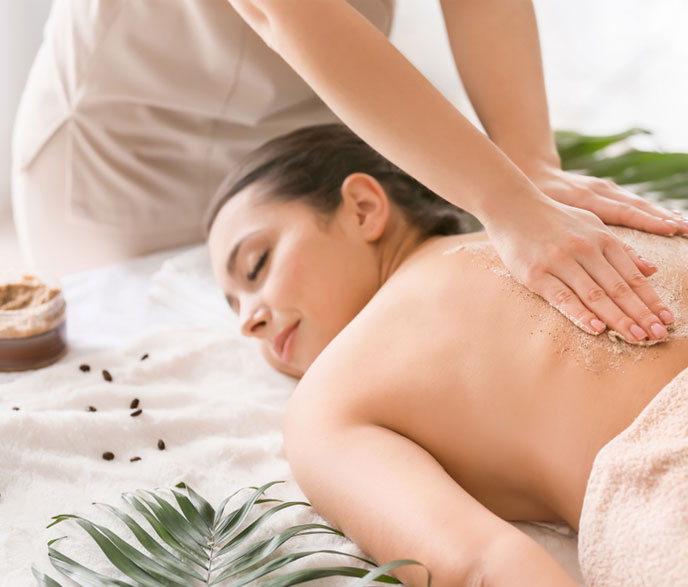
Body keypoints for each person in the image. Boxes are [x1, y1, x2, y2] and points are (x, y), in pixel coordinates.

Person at [205, 124, 688, 587]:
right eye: (235, 307)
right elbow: (488, 567)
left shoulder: (323, 408)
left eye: (256, 265)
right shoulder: (573, 225)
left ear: (363, 208)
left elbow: (489, 573)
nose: (249, 321)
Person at [12, 0, 685, 343]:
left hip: (308, 120)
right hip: (127, 153)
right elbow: (289, 10)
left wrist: (530, 165)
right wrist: (508, 203)